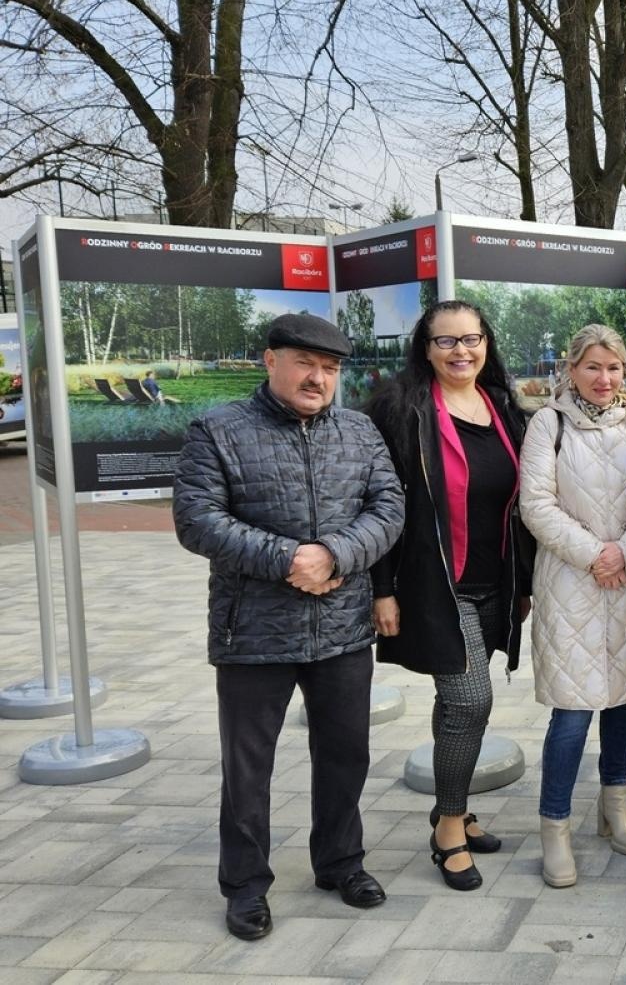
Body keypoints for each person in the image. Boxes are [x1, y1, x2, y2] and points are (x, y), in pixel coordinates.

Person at [172, 313, 404, 942]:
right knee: (248, 767)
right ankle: (245, 886)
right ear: (270, 360)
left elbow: (388, 508)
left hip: (343, 629)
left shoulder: (359, 431)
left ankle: (340, 863)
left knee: (345, 755)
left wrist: (334, 553)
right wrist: (288, 559)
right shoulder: (218, 430)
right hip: (253, 633)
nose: (318, 377)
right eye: (305, 362)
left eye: (330, 368)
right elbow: (197, 520)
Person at [365, 301, 532, 892]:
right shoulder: (402, 411)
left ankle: (448, 804)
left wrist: (526, 584)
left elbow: (521, 507)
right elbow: (381, 505)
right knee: (469, 701)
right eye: (446, 342)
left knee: (455, 706)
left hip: (494, 584)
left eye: (472, 338)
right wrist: (381, 589)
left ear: (486, 342)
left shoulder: (504, 409)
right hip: (437, 584)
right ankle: (450, 830)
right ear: (425, 348)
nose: (461, 351)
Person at [520, 324, 626, 889]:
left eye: (613, 368)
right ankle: (554, 826)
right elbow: (537, 504)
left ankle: (615, 804)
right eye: (592, 367)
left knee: (623, 700)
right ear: (570, 369)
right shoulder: (547, 423)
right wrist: (595, 555)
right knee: (573, 712)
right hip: (572, 583)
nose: (604, 379)